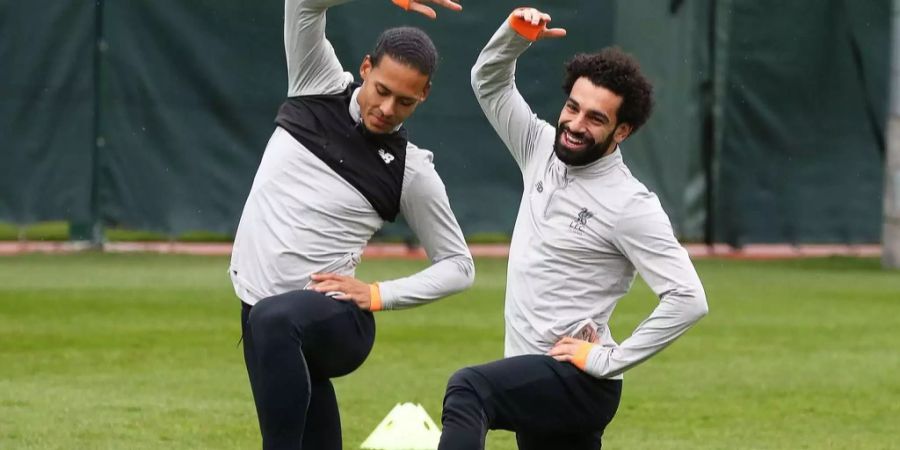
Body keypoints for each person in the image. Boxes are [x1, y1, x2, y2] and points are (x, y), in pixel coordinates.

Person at [438, 7, 709, 449]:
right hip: (536, 372)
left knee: (468, 390)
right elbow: (488, 81)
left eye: (595, 119)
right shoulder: (539, 147)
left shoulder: (630, 204)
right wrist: (514, 36)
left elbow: (688, 299)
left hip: (577, 380)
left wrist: (609, 359)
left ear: (621, 131)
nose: (575, 125)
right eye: (573, 108)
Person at [229, 0, 474, 448]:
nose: (387, 107)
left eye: (405, 100)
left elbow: (459, 265)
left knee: (273, 322)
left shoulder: (411, 171)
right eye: (381, 89)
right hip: (264, 316)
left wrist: (380, 294)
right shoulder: (315, 84)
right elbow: (302, 4)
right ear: (364, 67)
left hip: (337, 323)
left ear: (424, 96)